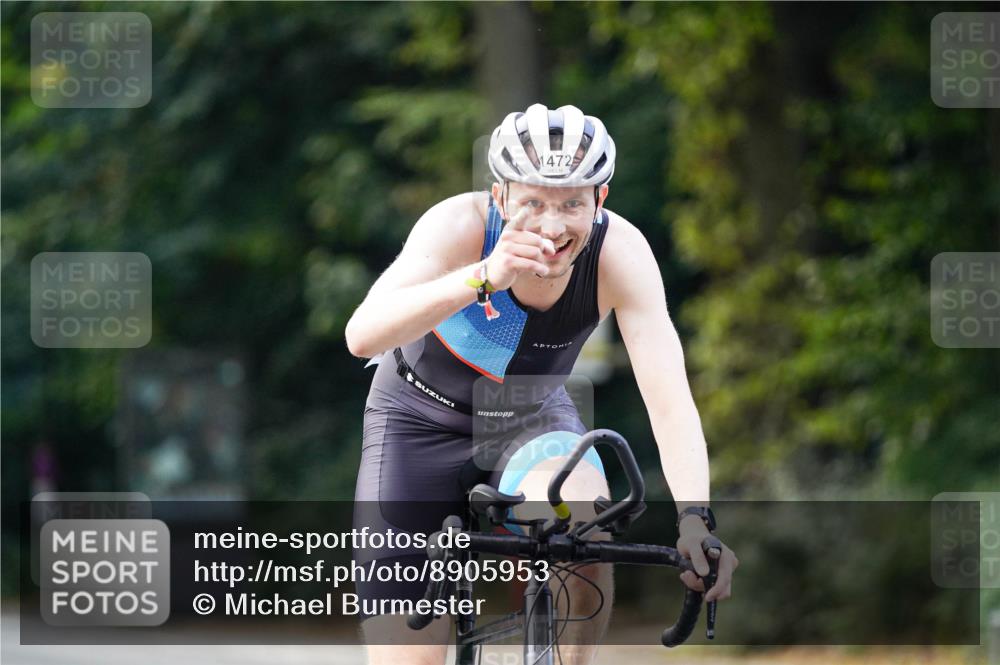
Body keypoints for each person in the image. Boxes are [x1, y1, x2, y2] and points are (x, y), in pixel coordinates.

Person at [346, 103, 738, 665]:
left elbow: (671, 402)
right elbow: (362, 335)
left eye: (572, 204)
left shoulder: (621, 254)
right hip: (414, 420)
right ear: (501, 197)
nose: (552, 227)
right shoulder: (457, 226)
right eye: (532, 202)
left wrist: (695, 520)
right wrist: (482, 276)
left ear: (599, 200)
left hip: (528, 418)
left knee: (584, 523)